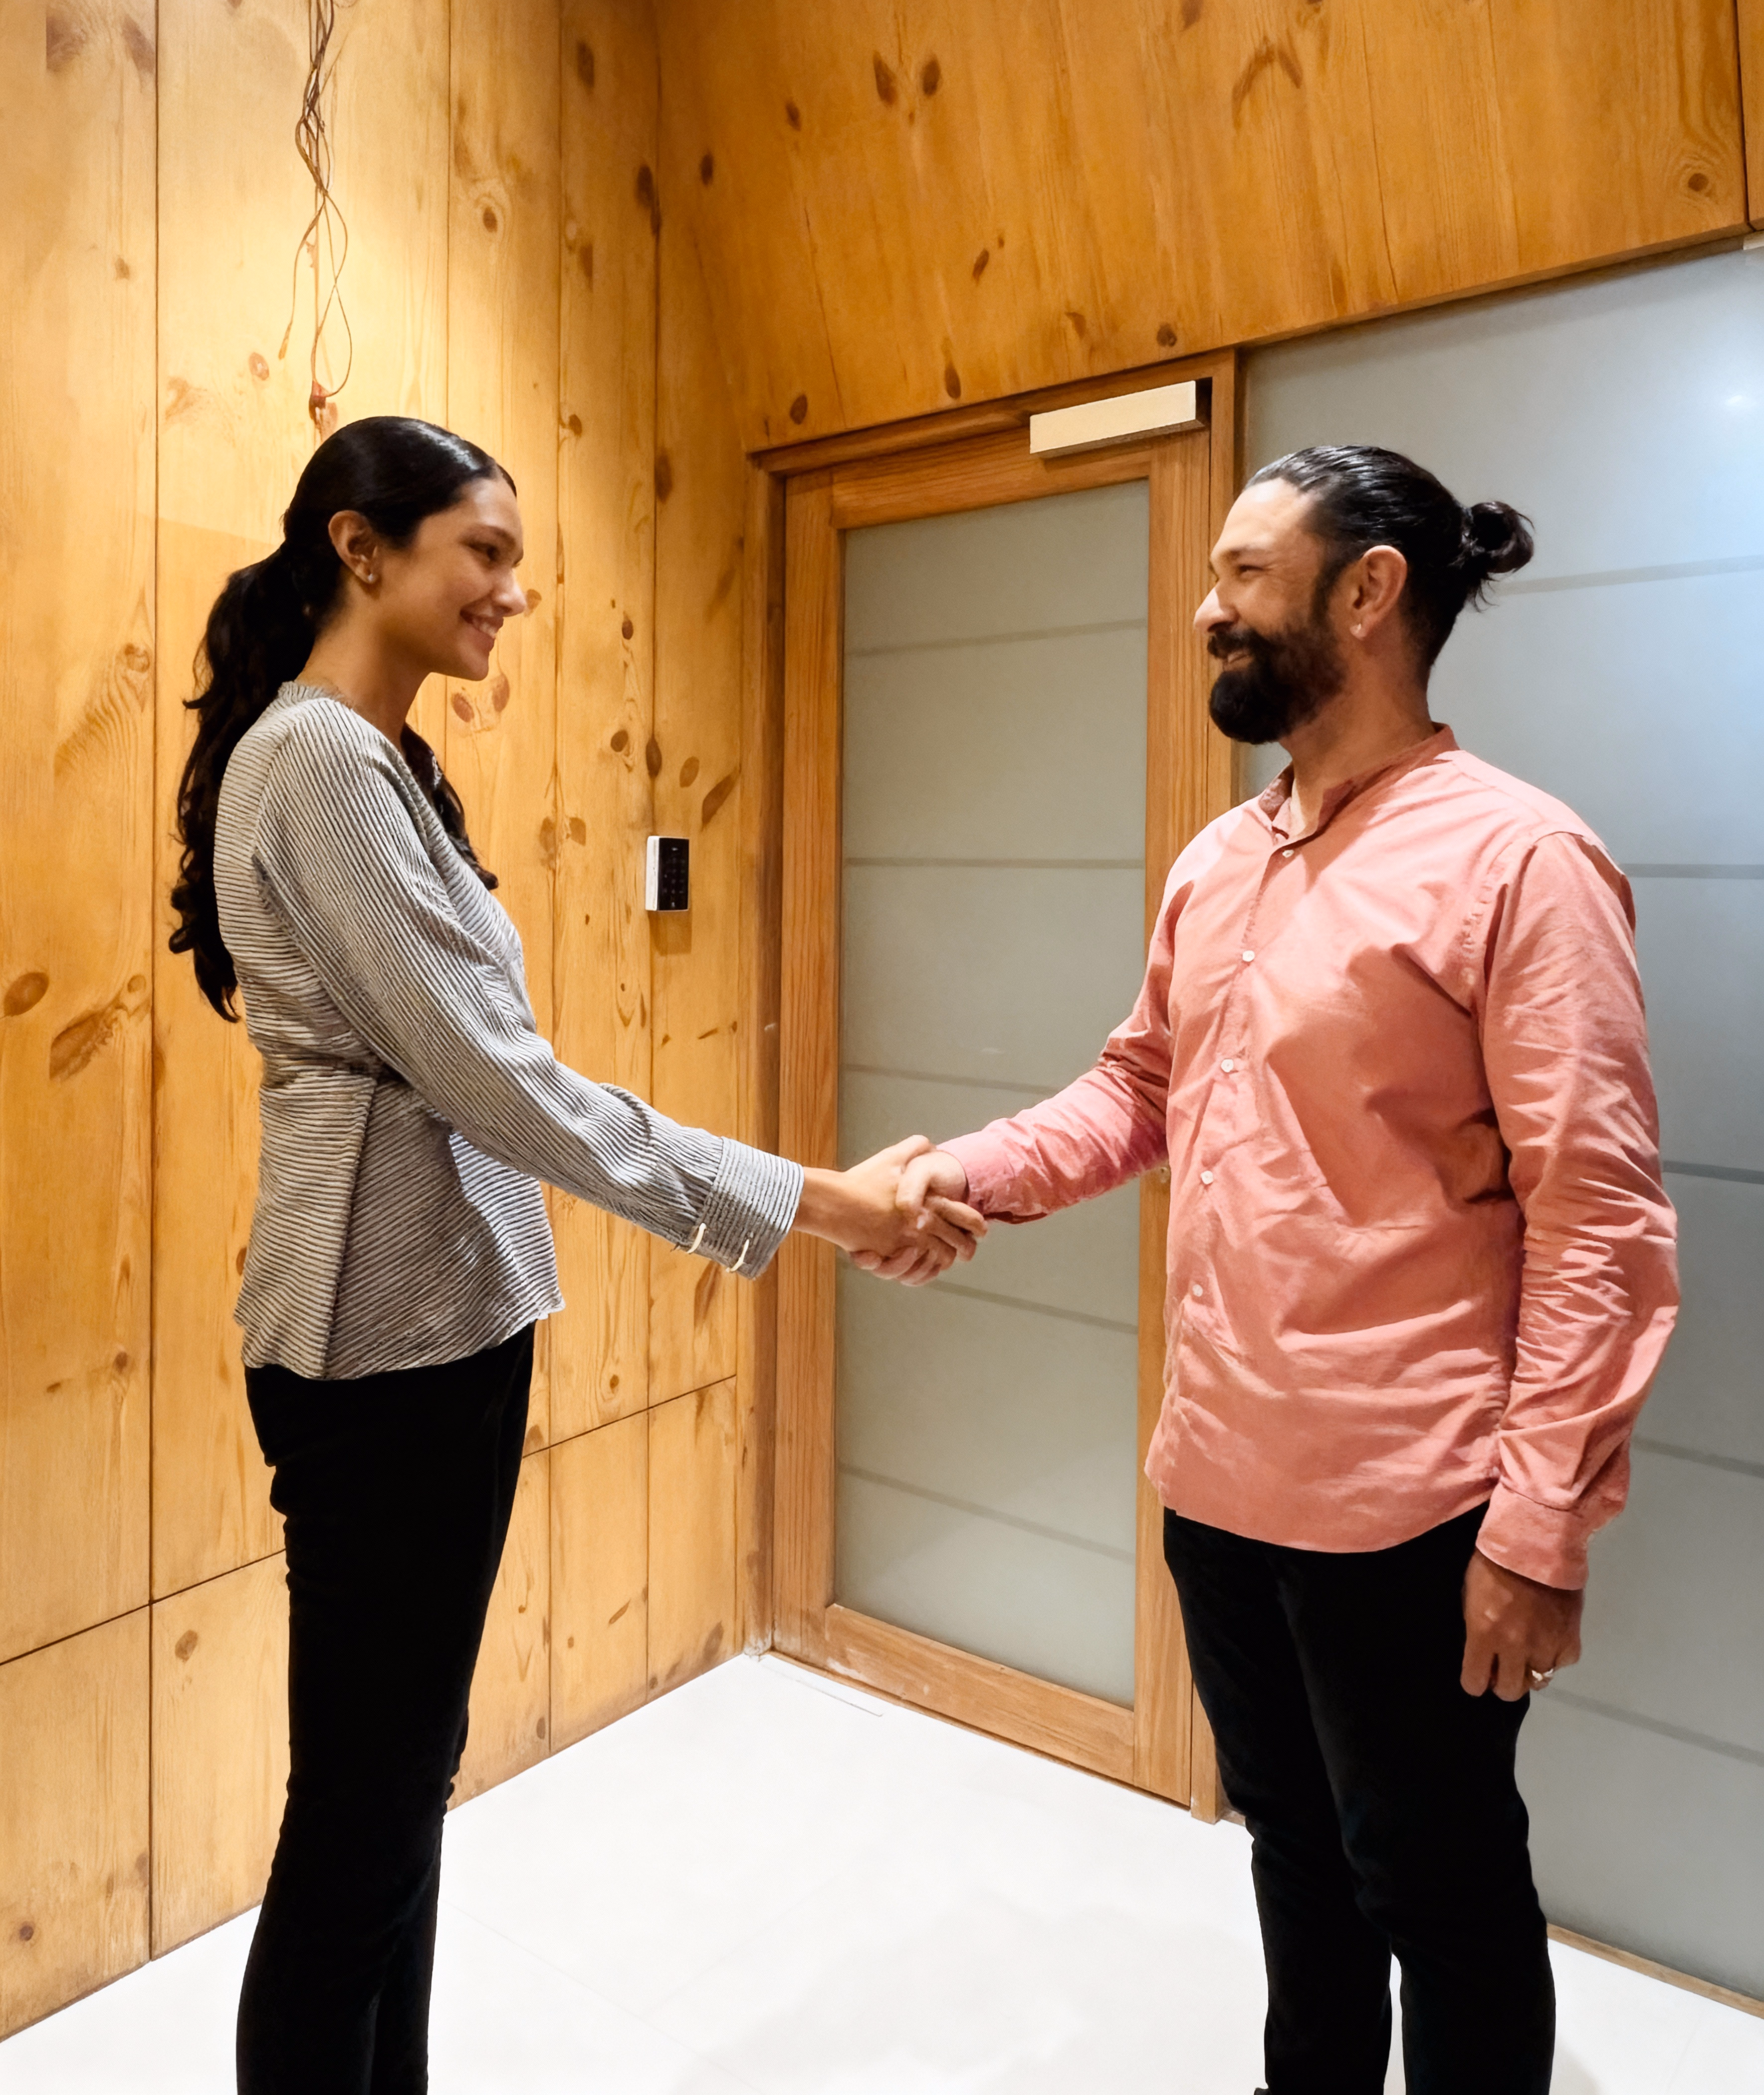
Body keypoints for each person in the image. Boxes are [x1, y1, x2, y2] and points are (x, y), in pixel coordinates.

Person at [168, 414, 982, 2095]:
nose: (512, 593)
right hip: (372, 1341)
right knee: (365, 1815)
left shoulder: (368, 754)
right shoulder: (318, 758)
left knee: (398, 1790)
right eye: (483, 551)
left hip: (438, 1321)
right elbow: (501, 1085)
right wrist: (815, 1201)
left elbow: (481, 1080)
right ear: (360, 548)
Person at [864, 446, 1677, 2095]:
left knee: (1440, 1902)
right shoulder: (1218, 863)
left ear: (1368, 591)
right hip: (1217, 1489)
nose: (1204, 608)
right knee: (1294, 1868)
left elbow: (1598, 1224)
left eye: (1243, 575)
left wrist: (1539, 1529)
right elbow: (1139, 1091)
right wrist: (962, 1175)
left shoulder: (1523, 862)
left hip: (1415, 1511)